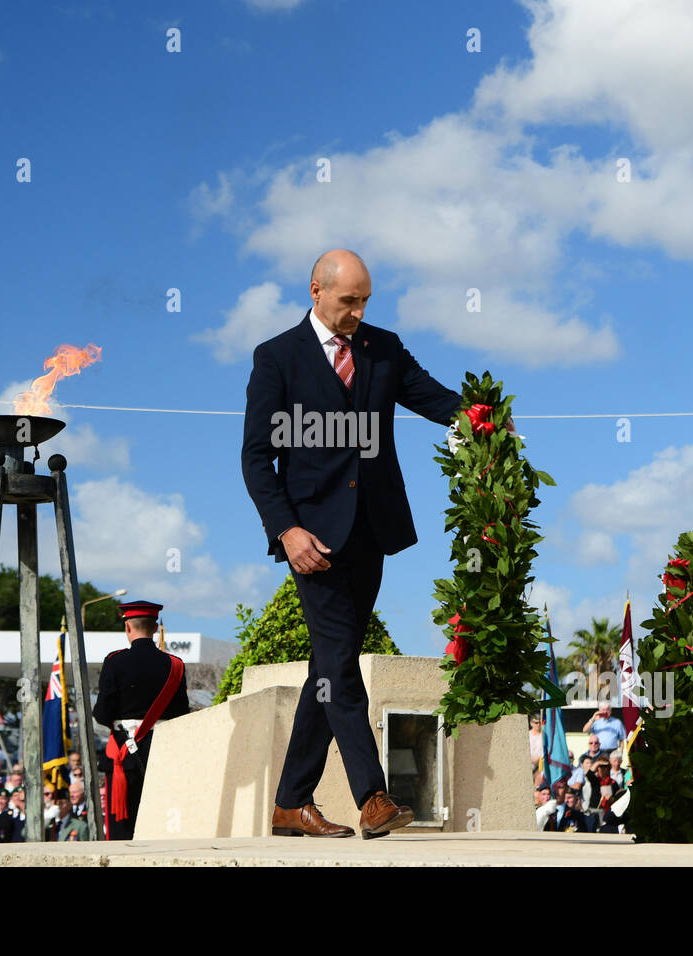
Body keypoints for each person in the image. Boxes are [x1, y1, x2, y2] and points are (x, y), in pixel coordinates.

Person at [243, 250, 484, 839]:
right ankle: (372, 796)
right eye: (348, 300)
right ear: (316, 290)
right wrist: (287, 529)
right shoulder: (276, 357)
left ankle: (290, 803)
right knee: (339, 662)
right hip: (312, 539)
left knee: (327, 667)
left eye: (365, 300)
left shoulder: (384, 347)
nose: (358, 311)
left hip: (371, 532)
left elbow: (433, 399)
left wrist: (485, 417)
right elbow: (255, 457)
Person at [92, 600, 189, 840]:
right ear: (155, 628)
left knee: (121, 830)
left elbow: (102, 713)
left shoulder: (115, 661)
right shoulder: (175, 665)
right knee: (161, 826)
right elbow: (181, 713)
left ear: (128, 628)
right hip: (163, 752)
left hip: (123, 754)